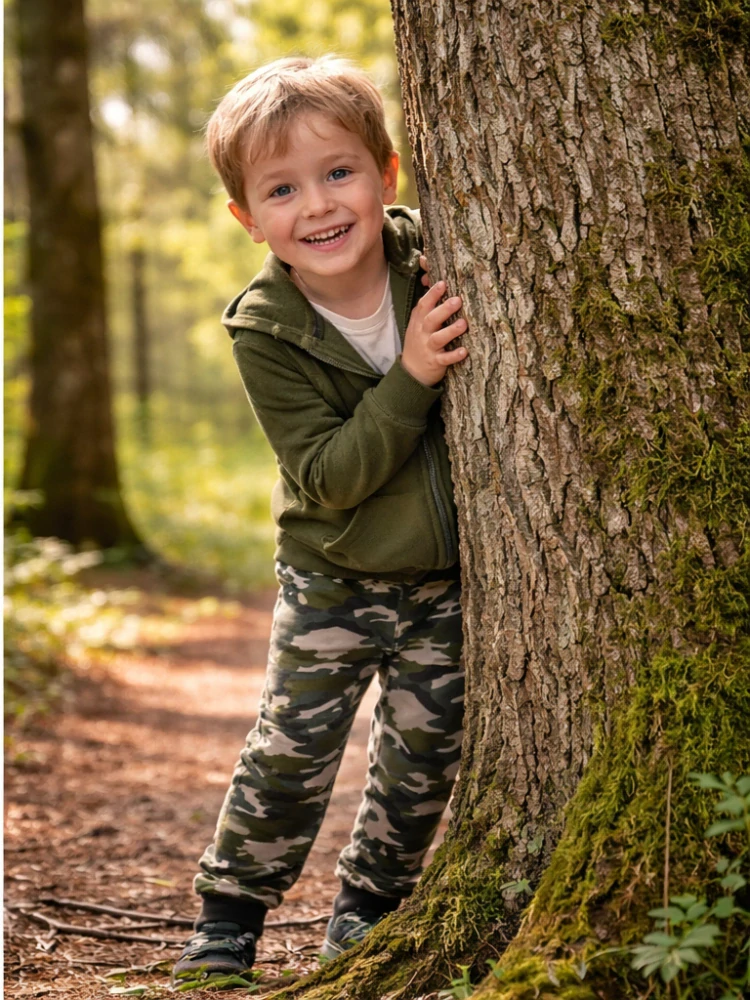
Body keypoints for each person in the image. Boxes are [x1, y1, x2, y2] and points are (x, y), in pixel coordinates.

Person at [173, 55, 469, 981]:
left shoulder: (440, 260)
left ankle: (369, 908)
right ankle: (228, 918)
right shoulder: (266, 329)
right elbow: (328, 474)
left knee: (427, 748)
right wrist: (412, 375)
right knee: (293, 747)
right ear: (247, 219)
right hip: (332, 574)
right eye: (282, 189)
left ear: (385, 175)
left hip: (447, 580)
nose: (318, 205)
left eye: (339, 172)